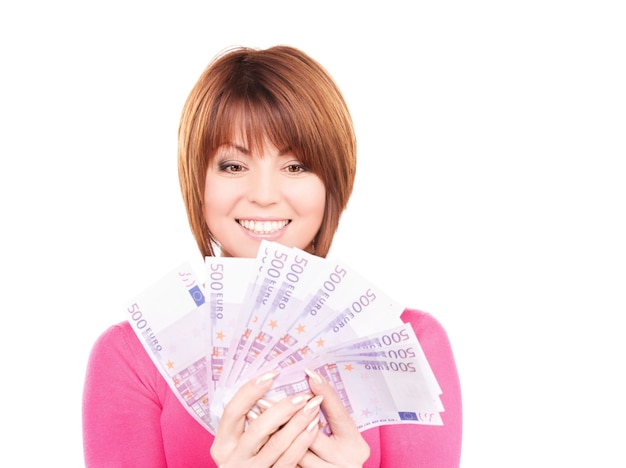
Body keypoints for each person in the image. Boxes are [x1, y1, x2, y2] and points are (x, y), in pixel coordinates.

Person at [82, 45, 462, 467]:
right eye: (232, 166)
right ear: (197, 181)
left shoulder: (415, 344)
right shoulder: (130, 357)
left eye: (295, 166)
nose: (263, 195)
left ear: (333, 181)